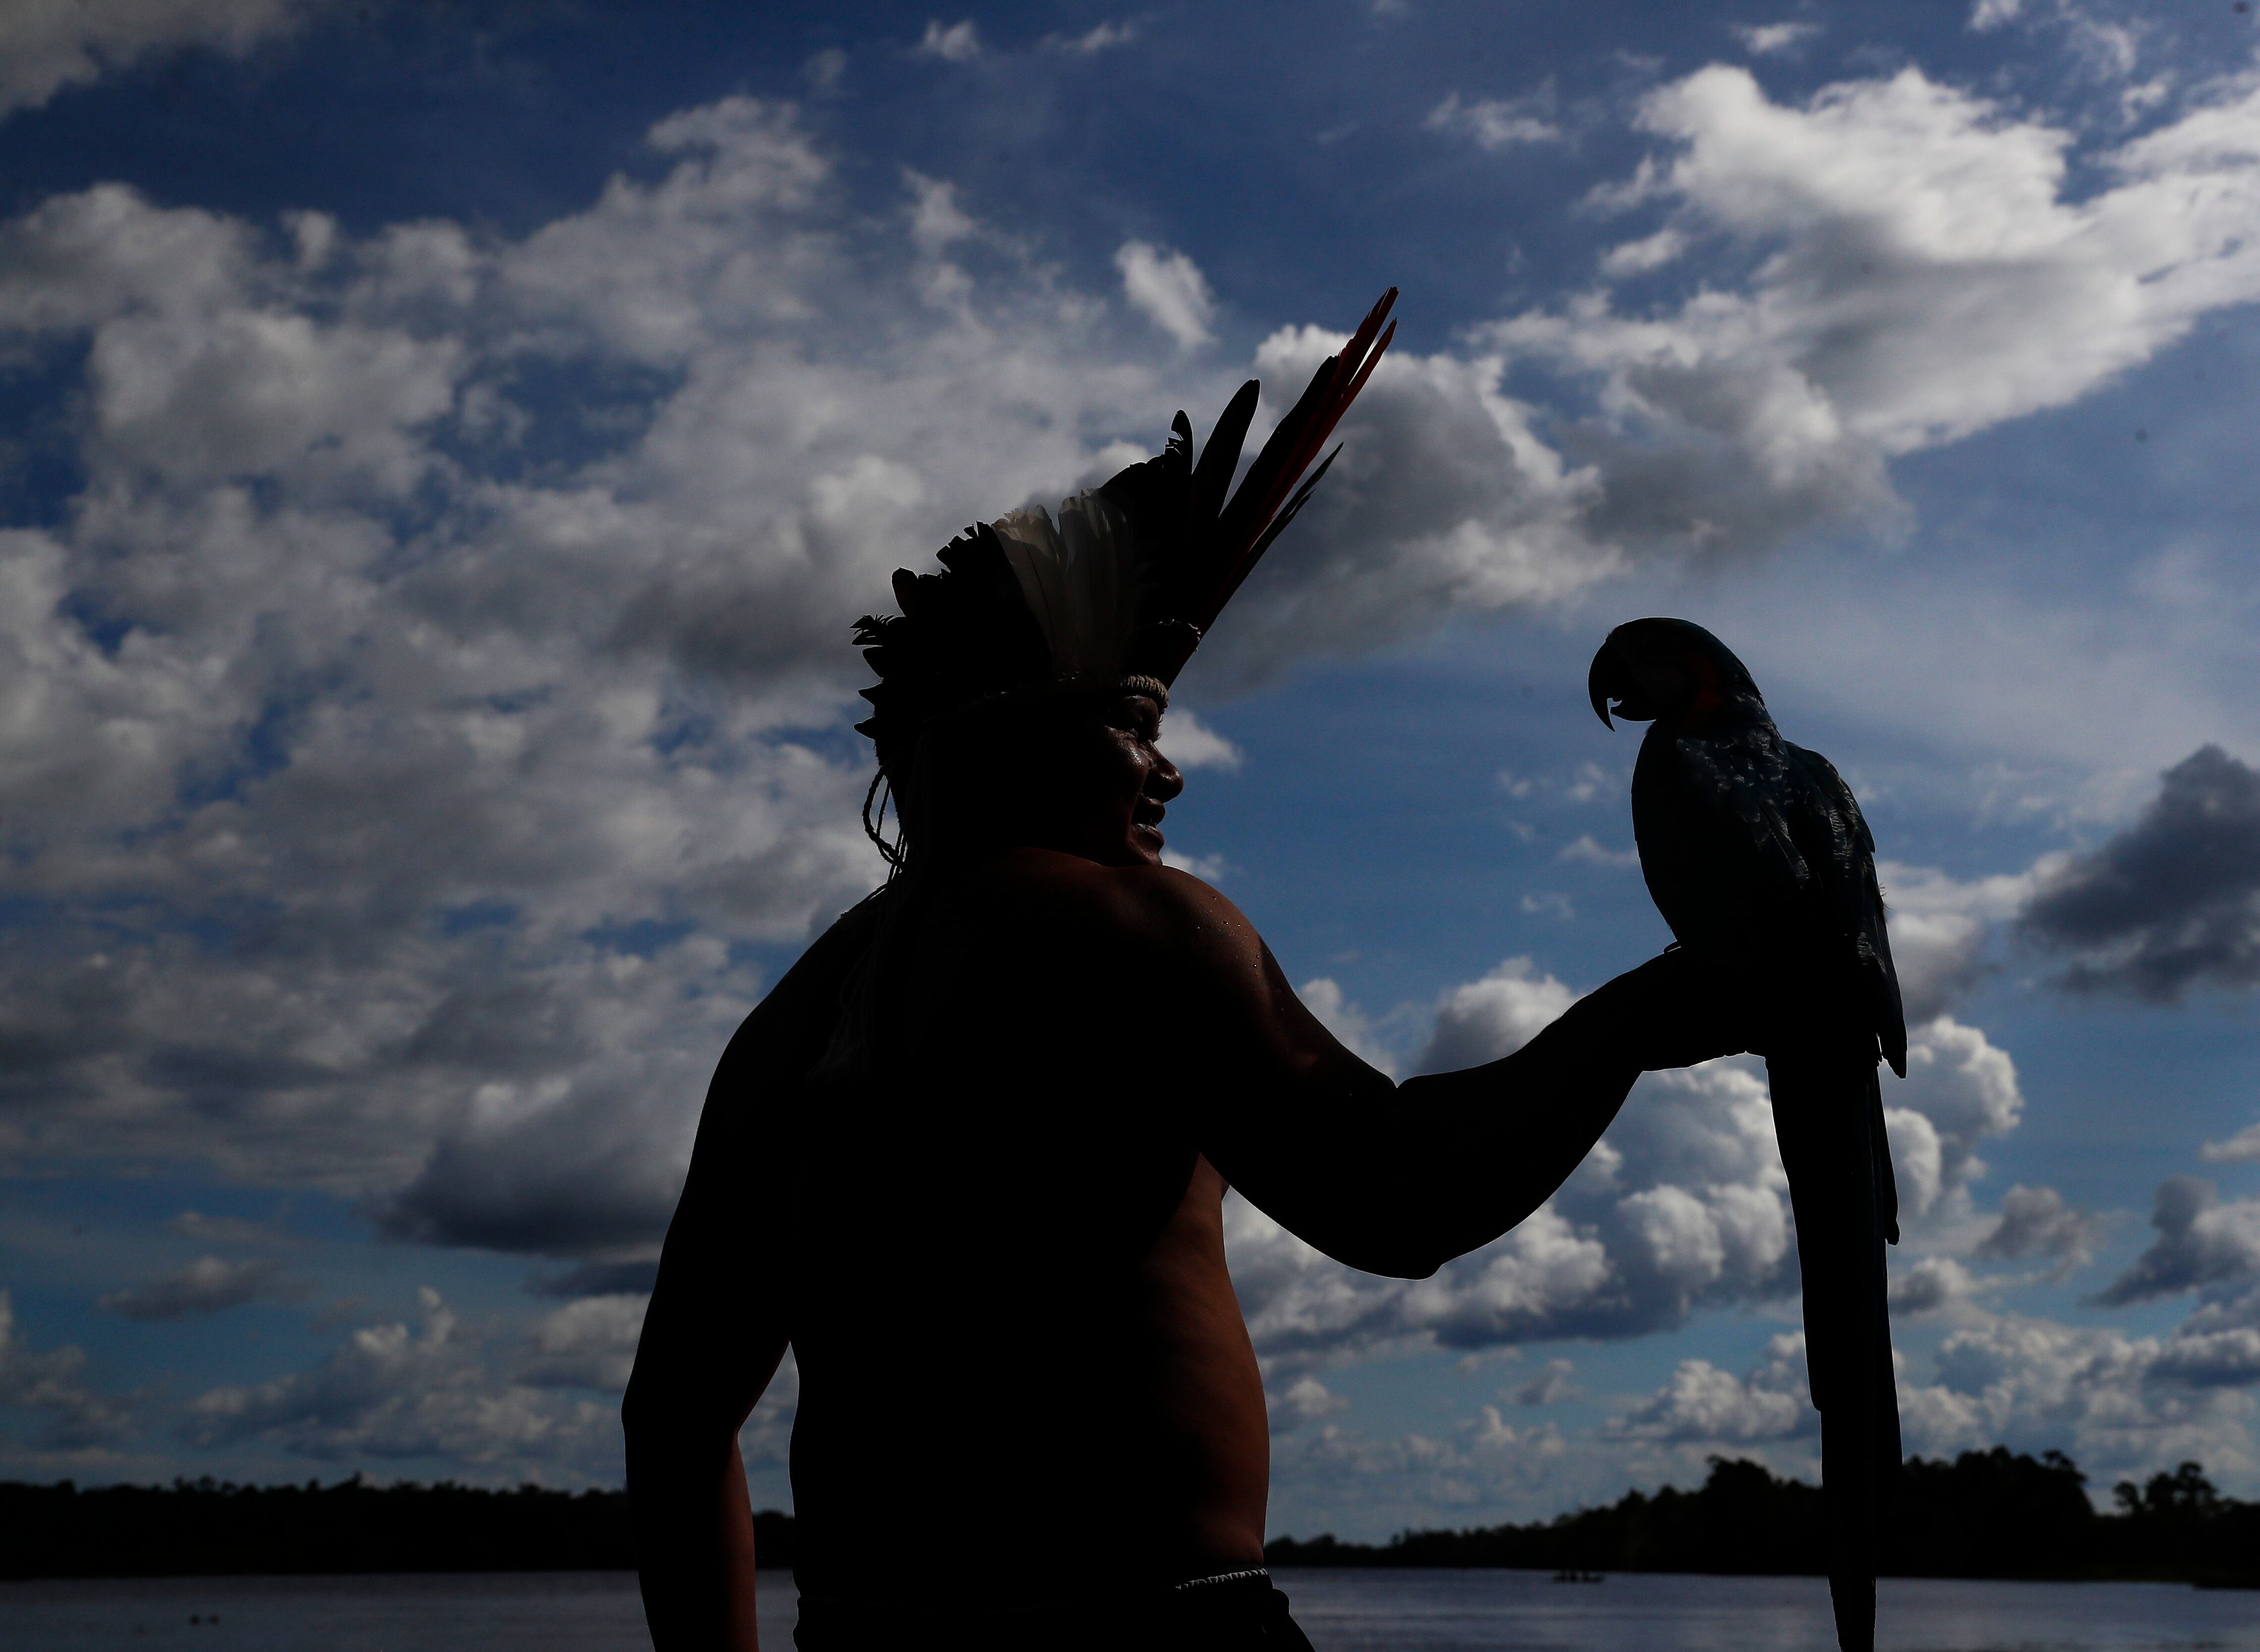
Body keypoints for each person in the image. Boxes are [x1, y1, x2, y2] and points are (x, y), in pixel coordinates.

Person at [623, 297, 1752, 1649]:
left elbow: (675, 1422)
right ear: (1022, 745)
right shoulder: (1127, 926)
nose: (1167, 770)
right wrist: (1644, 1014)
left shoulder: (791, 1025)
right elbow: (1398, 1194)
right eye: (1131, 729)